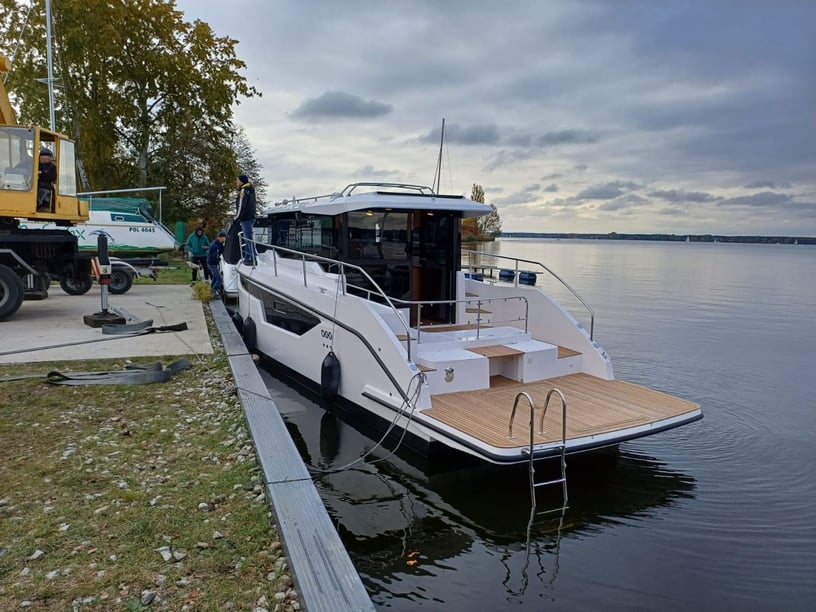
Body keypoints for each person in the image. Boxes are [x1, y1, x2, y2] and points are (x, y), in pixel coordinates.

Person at [235, 173, 257, 264]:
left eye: (237, 180)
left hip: (245, 218)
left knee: (247, 238)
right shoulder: (251, 190)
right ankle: (248, 256)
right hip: (251, 217)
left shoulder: (244, 191)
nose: (236, 182)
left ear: (241, 181)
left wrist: (237, 217)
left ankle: (252, 258)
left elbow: (241, 206)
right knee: (248, 237)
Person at [207, 230, 227, 296]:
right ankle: (213, 291)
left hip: (214, 263)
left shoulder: (219, 243)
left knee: (215, 278)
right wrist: (219, 259)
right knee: (220, 279)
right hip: (212, 264)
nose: (225, 238)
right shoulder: (215, 246)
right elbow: (215, 256)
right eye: (224, 237)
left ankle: (210, 291)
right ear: (219, 237)